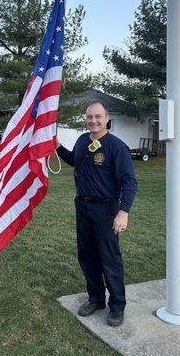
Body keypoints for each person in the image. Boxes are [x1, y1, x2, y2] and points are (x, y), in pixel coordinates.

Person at [56, 100, 137, 327]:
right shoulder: (83, 140)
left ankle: (117, 306)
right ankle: (96, 299)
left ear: (107, 118)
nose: (93, 120)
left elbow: (129, 181)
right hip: (83, 206)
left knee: (109, 259)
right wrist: (57, 146)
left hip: (106, 210)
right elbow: (74, 160)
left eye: (98, 117)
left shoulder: (116, 147)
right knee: (87, 255)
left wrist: (124, 212)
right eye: (90, 117)